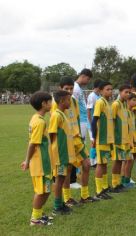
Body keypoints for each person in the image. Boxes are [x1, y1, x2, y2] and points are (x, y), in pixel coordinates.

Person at [51, 77, 97, 206]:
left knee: (87, 164)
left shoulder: (74, 102)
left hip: (76, 139)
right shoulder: (56, 105)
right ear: (61, 89)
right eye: (66, 89)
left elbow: (76, 120)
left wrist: (80, 136)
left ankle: (85, 195)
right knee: (68, 169)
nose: (70, 91)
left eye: (71, 88)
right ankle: (67, 198)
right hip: (65, 141)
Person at [21, 91, 53, 226]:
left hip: (41, 162)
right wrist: (27, 161)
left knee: (45, 190)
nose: (52, 104)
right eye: (50, 101)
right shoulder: (39, 122)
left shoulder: (36, 118)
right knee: (42, 192)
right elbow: (33, 143)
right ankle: (35, 219)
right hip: (41, 163)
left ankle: (39, 214)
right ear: (44, 104)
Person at [49, 90, 74, 215]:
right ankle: (57, 207)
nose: (70, 102)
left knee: (63, 177)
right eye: (68, 100)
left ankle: (60, 203)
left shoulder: (64, 114)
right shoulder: (56, 115)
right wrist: (55, 151)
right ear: (62, 101)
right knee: (59, 179)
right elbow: (51, 135)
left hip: (65, 153)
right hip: (59, 154)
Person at [91, 81, 114, 200]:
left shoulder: (107, 102)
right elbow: (94, 121)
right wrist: (94, 137)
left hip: (108, 139)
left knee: (104, 163)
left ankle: (105, 186)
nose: (110, 91)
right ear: (100, 91)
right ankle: (99, 190)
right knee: (100, 164)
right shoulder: (100, 102)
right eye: (107, 89)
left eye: (111, 89)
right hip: (101, 139)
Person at [111, 84, 132, 192]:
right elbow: (112, 121)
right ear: (120, 92)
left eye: (129, 92)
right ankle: (115, 184)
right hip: (117, 138)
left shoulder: (124, 105)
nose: (128, 94)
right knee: (117, 160)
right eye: (126, 92)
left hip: (124, 138)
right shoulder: (116, 104)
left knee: (121, 160)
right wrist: (113, 136)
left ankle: (118, 182)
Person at [73, 68, 92, 140]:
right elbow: (73, 105)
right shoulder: (75, 88)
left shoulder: (79, 88)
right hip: (80, 121)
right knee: (80, 144)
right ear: (83, 76)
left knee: (82, 143)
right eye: (88, 79)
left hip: (83, 120)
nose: (88, 81)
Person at [87, 79, 102, 167]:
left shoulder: (99, 96)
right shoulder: (91, 96)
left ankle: (96, 160)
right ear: (98, 87)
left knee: (97, 142)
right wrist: (91, 123)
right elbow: (89, 110)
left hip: (98, 124)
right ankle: (92, 161)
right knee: (94, 142)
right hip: (93, 124)